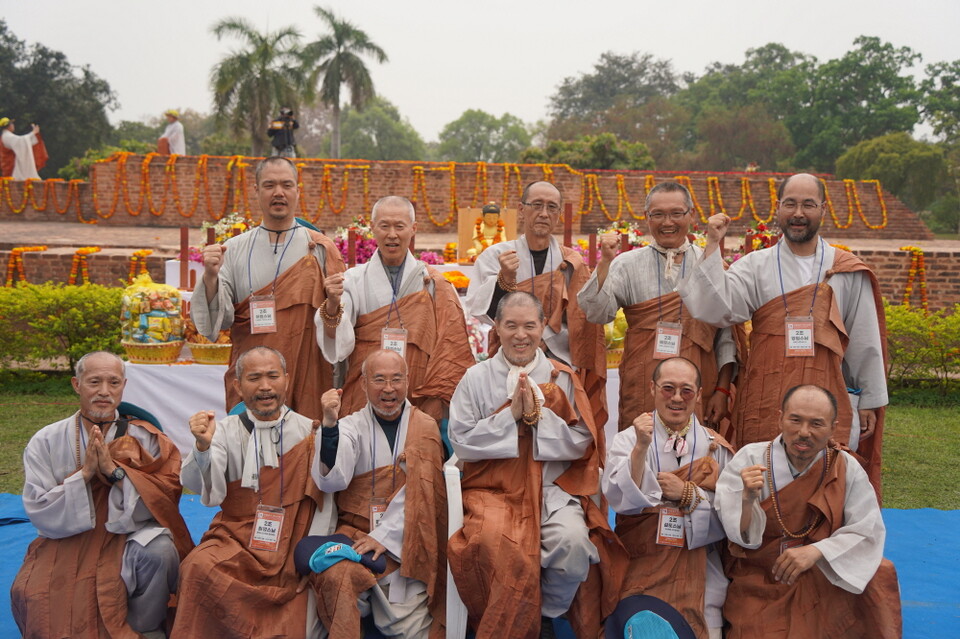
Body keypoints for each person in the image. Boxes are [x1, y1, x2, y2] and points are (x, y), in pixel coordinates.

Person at [677, 173, 888, 491]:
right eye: (790, 204)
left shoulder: (845, 271)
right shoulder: (755, 266)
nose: (798, 213)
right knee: (761, 479)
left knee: (824, 481)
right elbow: (716, 308)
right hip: (767, 394)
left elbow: (864, 340)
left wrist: (868, 400)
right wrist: (712, 246)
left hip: (827, 393)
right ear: (778, 208)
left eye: (808, 205)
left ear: (823, 209)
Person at [447, 291, 625, 638]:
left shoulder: (562, 377)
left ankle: (542, 613)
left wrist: (538, 418)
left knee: (573, 544)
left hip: (551, 490)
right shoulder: (476, 378)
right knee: (493, 543)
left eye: (529, 326)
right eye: (511, 325)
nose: (521, 335)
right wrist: (510, 416)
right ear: (497, 328)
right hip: (493, 490)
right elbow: (461, 441)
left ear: (543, 327)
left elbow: (581, 441)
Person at [11, 351, 192, 639]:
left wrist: (114, 473)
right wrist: (84, 475)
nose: (104, 391)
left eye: (114, 382)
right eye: (94, 382)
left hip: (128, 533)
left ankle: (146, 626)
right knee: (32, 593)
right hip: (69, 536)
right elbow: (38, 508)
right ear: (77, 384)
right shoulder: (46, 440)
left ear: (124, 385)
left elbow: (164, 500)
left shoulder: (146, 438)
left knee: (160, 551)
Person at [713, 384, 902, 638]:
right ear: (780, 419)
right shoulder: (751, 459)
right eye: (795, 420)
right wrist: (747, 500)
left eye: (816, 424)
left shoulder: (844, 466)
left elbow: (867, 528)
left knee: (881, 574)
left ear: (833, 428)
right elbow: (738, 537)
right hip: (762, 573)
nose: (804, 432)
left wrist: (818, 551)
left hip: (820, 570)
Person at [175, 346, 336, 637]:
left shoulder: (309, 433)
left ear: (287, 380)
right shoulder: (223, 431)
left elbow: (324, 501)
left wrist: (311, 551)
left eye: (273, 376)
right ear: (238, 386)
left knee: (307, 599)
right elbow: (201, 487)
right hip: (237, 537)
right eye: (254, 378)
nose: (265, 386)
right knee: (197, 567)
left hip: (292, 539)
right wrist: (202, 446)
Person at [578, 181, 738, 434]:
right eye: (658, 215)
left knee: (696, 453)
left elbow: (725, 335)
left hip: (698, 384)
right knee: (641, 448)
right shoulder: (627, 264)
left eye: (676, 213)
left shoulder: (709, 263)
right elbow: (597, 313)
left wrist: (722, 390)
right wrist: (605, 262)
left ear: (691, 215)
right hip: (644, 382)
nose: (667, 222)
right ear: (647, 217)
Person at [192, 155, 345, 419]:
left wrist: (333, 302)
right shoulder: (234, 249)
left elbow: (341, 324)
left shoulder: (320, 249)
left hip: (307, 372)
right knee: (250, 441)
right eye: (269, 185)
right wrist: (210, 277)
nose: (278, 193)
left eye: (286, 185)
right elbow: (216, 324)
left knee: (305, 440)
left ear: (298, 191)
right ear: (256, 190)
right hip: (254, 377)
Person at [309, 349, 447, 637]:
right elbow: (332, 480)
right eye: (379, 379)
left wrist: (384, 536)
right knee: (337, 577)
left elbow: (424, 496)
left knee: (409, 627)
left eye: (396, 379)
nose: (388, 389)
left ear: (407, 381)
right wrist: (330, 426)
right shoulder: (351, 425)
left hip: (407, 539)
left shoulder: (425, 427)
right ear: (363, 383)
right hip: (355, 534)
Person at [602, 357, 734, 639]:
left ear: (699, 394)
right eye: (668, 388)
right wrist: (641, 448)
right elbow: (620, 501)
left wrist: (689, 495)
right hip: (643, 558)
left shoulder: (715, 446)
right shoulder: (629, 439)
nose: (676, 398)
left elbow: (731, 517)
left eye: (686, 390)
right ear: (652, 388)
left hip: (699, 566)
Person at [464, 180, 608, 428]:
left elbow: (583, 320)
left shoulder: (571, 262)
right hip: (507, 360)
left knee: (555, 432)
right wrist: (503, 279)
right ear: (521, 209)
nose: (544, 213)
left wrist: (545, 339)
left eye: (551, 207)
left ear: (559, 215)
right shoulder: (496, 256)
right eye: (537, 205)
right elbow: (481, 310)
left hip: (556, 365)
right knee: (506, 429)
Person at [316, 195, 472, 421]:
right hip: (366, 392)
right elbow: (336, 342)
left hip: (416, 390)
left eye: (399, 226)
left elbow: (451, 343)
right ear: (372, 228)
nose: (392, 234)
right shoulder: (353, 280)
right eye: (384, 226)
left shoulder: (433, 283)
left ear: (413, 229)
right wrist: (331, 304)